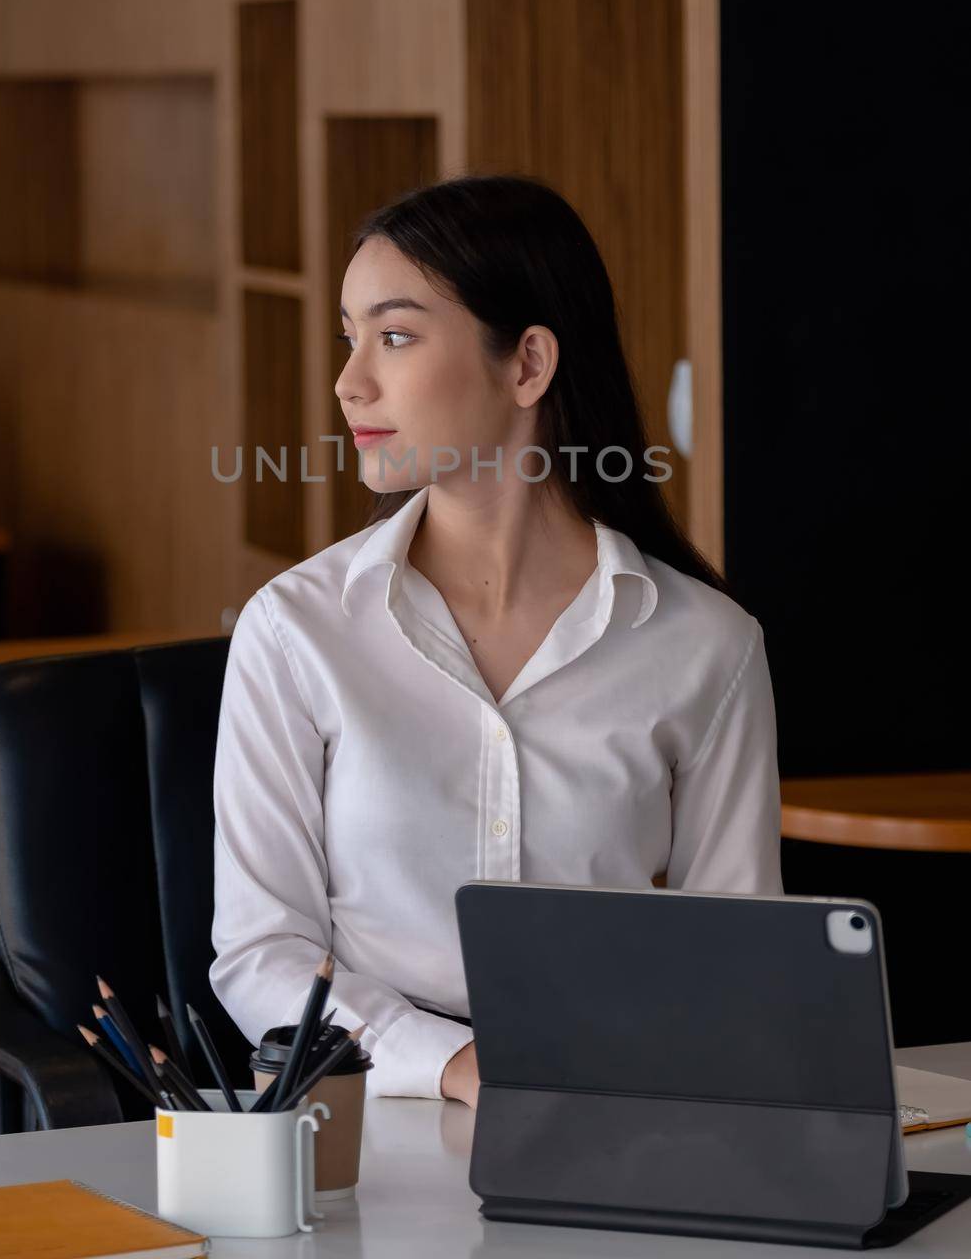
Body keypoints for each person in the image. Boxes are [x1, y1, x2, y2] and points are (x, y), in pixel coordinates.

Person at [210, 175, 782, 1110]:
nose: (350, 382)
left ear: (527, 366)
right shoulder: (296, 629)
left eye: (393, 337)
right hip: (370, 1116)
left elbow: (739, 948)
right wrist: (457, 1067)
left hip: (621, 1107)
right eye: (349, 338)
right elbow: (260, 955)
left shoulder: (705, 645)